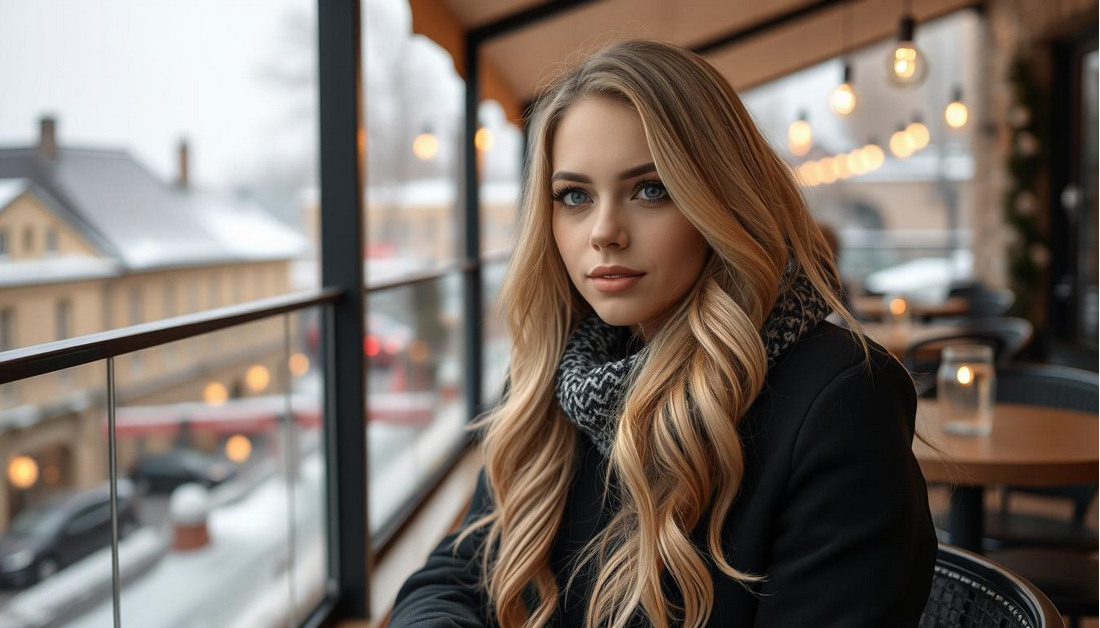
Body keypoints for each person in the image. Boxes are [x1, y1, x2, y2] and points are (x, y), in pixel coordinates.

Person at [389, 38, 936, 628]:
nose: (604, 232)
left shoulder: (842, 399)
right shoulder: (556, 377)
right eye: (574, 195)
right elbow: (452, 576)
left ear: (722, 199)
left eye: (651, 189)